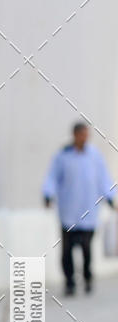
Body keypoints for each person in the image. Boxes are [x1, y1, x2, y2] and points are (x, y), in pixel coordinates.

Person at [43, 122, 115, 295]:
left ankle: (88, 276)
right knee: (67, 250)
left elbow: (103, 178)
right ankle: (69, 281)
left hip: (89, 211)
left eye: (86, 135)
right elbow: (52, 177)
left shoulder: (94, 156)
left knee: (86, 247)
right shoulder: (63, 156)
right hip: (69, 212)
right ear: (75, 135)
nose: (84, 138)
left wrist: (111, 198)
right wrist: (48, 194)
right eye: (81, 134)